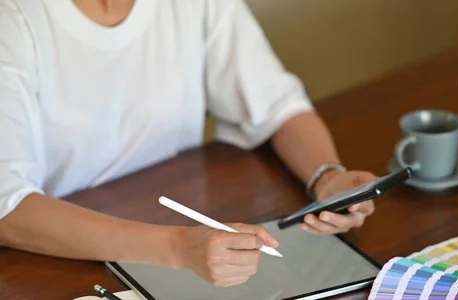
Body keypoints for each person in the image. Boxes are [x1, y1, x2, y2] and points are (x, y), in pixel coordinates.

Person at [0, 0, 377, 288]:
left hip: (189, 235)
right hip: (59, 259)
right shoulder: (14, 17)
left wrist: (327, 178)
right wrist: (177, 247)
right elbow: (8, 208)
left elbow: (276, 104)